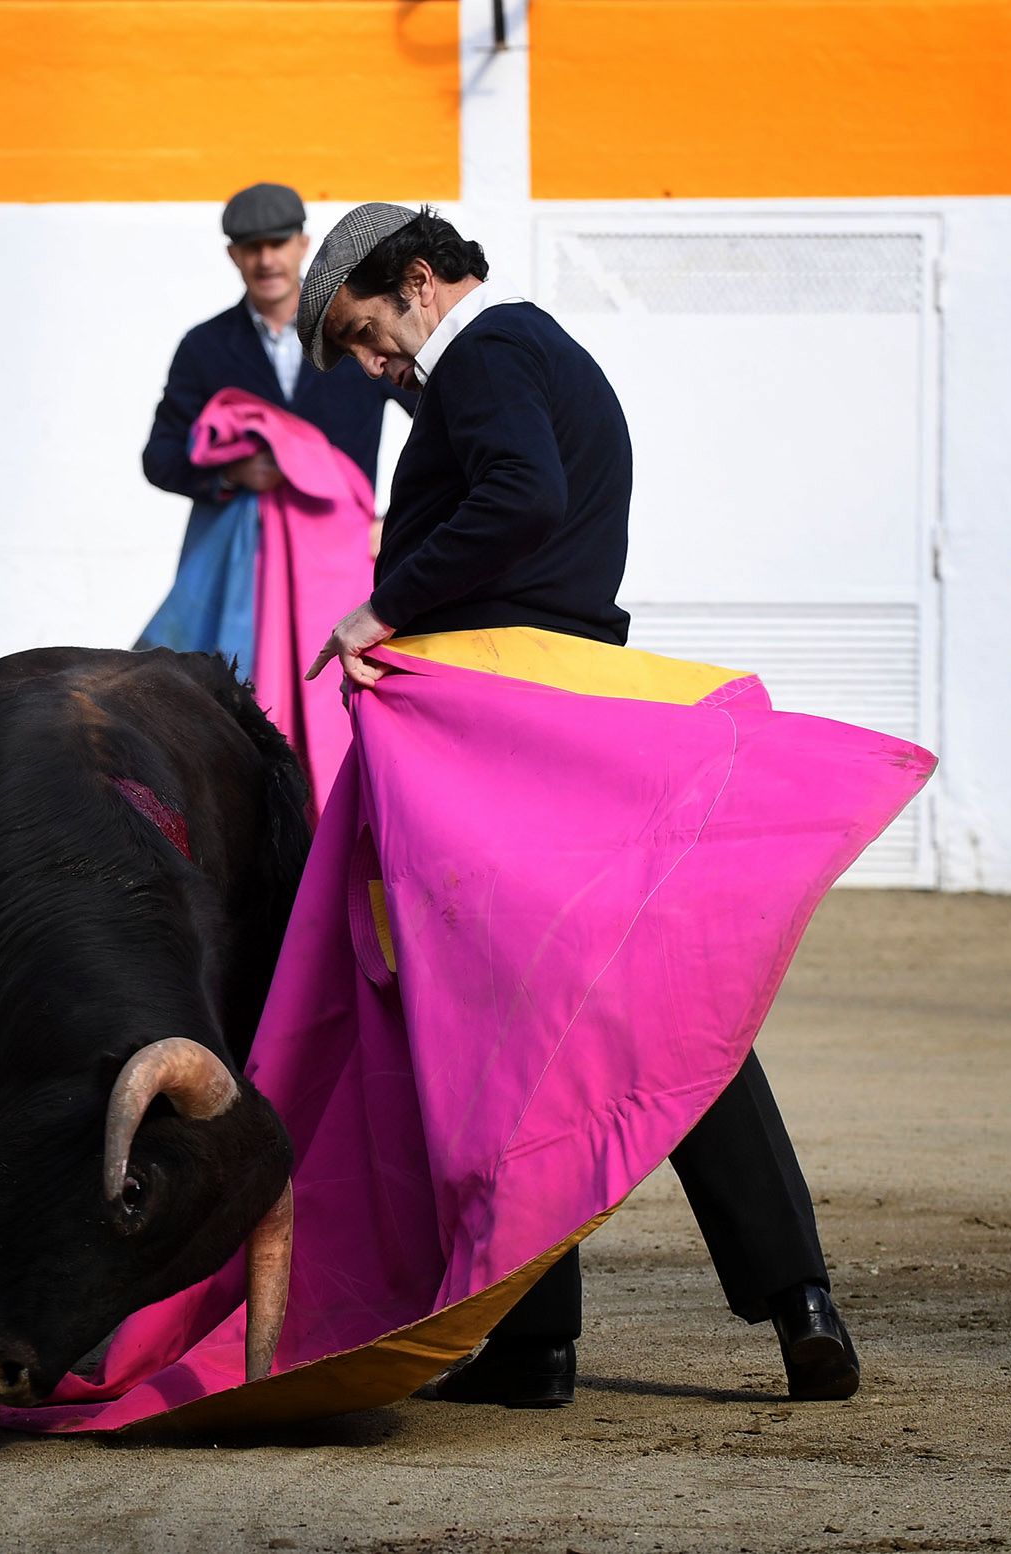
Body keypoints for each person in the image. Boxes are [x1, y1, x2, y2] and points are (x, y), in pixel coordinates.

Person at [295, 203, 862, 1409]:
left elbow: (519, 498)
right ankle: (792, 1296)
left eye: (363, 333)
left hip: (504, 737)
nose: (368, 367)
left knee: (493, 1025)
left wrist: (380, 611)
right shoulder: (543, 352)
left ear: (419, 278)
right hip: (578, 725)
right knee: (664, 1017)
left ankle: (533, 1339)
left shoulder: (486, 356)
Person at [141, 183, 414, 623]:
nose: (266, 260)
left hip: (342, 562)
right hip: (248, 573)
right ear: (234, 255)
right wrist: (232, 474)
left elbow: (440, 426)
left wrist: (398, 520)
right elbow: (160, 458)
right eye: (252, 247)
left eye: (277, 244)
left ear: (303, 245)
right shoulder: (204, 347)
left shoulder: (360, 328)